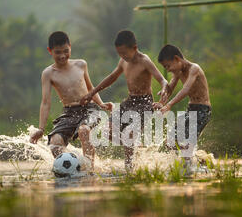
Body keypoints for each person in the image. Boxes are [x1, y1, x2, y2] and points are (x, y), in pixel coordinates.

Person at [79, 30, 168, 171]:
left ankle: (129, 167)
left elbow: (162, 79)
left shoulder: (144, 61)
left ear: (135, 48)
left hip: (144, 102)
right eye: (120, 53)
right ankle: (135, 147)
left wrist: (163, 89)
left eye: (125, 53)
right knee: (107, 131)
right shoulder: (123, 61)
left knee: (130, 133)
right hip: (129, 101)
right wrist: (93, 92)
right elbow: (112, 77)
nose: (123, 56)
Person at [29, 31, 113, 170]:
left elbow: (90, 87)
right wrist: (41, 128)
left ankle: (89, 171)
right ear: (50, 51)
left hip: (89, 109)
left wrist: (101, 104)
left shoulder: (81, 65)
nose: (62, 56)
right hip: (69, 112)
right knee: (55, 144)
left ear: (70, 47)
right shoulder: (48, 73)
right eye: (57, 52)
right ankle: (72, 168)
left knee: (84, 130)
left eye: (65, 51)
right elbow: (45, 102)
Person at [153, 44, 212, 171]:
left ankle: (193, 168)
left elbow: (185, 89)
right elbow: (170, 89)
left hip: (202, 110)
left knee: (185, 143)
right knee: (170, 141)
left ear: (177, 59)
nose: (168, 70)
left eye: (168, 66)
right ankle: (191, 164)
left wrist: (169, 105)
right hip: (190, 109)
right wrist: (161, 101)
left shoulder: (194, 69)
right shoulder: (178, 72)